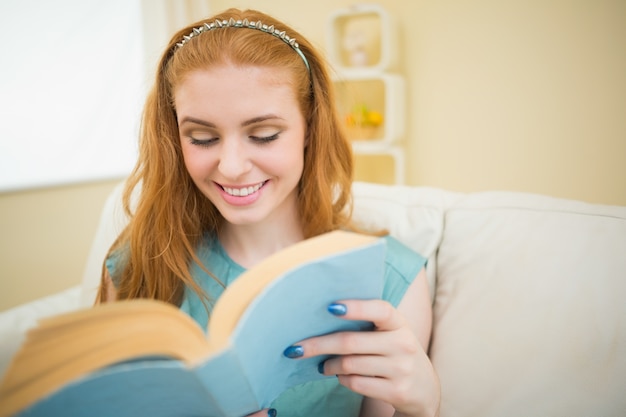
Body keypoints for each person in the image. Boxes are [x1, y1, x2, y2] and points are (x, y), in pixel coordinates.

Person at [98, 8, 440, 417]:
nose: (232, 166)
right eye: (202, 138)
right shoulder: (140, 264)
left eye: (263, 135)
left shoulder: (389, 278)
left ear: (310, 127)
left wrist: (423, 405)